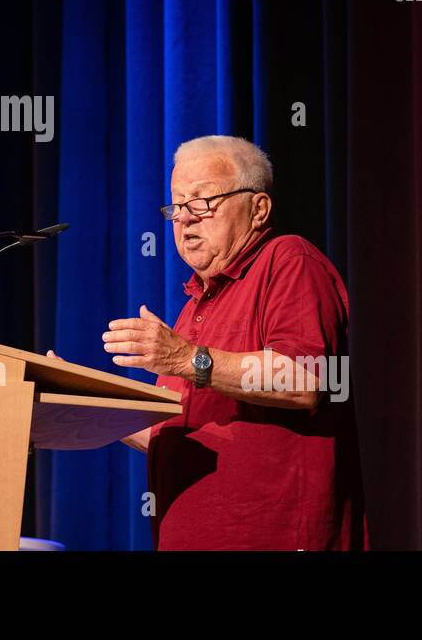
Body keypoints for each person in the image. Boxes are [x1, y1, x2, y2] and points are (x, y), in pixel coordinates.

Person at [74, 135, 368, 550]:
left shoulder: (289, 261)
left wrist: (185, 358)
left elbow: (305, 380)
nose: (185, 219)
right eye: (176, 205)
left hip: (272, 536)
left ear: (258, 209)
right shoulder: (196, 302)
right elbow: (176, 432)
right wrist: (90, 408)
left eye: (202, 202)